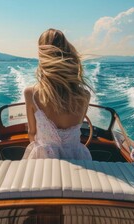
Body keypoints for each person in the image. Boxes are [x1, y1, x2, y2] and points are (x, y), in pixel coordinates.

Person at [22, 28, 92, 160]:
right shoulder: (84, 95)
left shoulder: (31, 93)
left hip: (44, 161)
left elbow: (32, 133)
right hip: (78, 158)